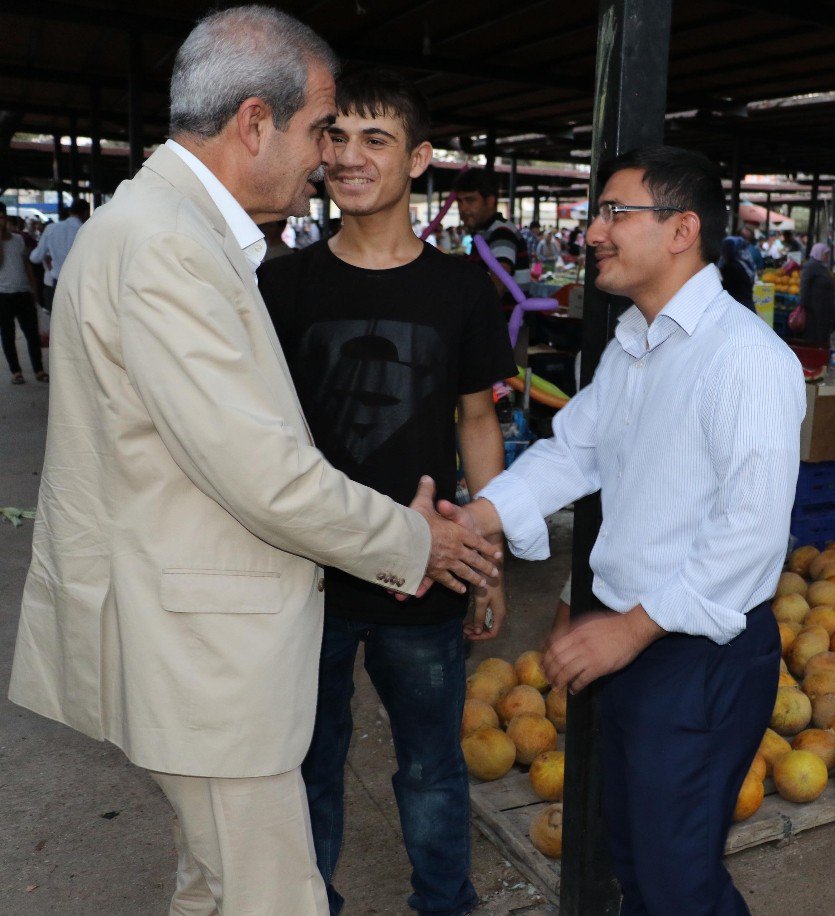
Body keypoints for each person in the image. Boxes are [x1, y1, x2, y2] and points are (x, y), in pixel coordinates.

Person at [7, 9, 501, 914]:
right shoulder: (167, 249)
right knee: (274, 896)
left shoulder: (172, 231)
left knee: (215, 885)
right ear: (252, 123)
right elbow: (264, 474)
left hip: (200, 635)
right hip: (204, 651)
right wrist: (418, 542)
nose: (327, 157)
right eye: (320, 129)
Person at [442, 145, 805, 914]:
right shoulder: (631, 346)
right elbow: (574, 454)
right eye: (597, 212)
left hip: (696, 655)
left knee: (677, 884)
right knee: (637, 860)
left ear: (681, 231)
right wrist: (478, 516)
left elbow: (751, 535)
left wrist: (632, 626)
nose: (594, 231)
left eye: (615, 212)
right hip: (633, 644)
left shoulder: (744, 359)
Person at [258, 67, 515, 916]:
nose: (349, 156)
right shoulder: (281, 284)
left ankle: (445, 902)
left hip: (429, 567)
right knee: (308, 766)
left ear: (420, 159)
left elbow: (478, 422)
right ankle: (309, 904)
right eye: (335, 137)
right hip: (309, 574)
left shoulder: (459, 287)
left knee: (434, 768)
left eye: (376, 139)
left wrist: (489, 557)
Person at [454, 168, 530, 299]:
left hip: (507, 320)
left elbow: (496, 287)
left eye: (470, 200)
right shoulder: (485, 233)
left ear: (489, 201)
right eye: (460, 201)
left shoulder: (501, 233)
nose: (463, 208)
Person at [0, 203, 47, 384]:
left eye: (2, 217)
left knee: (32, 334)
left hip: (23, 293)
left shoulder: (18, 240)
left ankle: (39, 370)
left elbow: (26, 266)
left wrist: (34, 289)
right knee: (8, 335)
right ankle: (16, 372)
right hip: (3, 295)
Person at [29, 197, 89, 295]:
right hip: (80, 284)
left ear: (70, 211)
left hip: (58, 283)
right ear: (86, 213)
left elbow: (35, 257)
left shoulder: (51, 229)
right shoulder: (86, 230)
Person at [799, 241, 835, 345]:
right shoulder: (810, 266)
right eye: (825, 254)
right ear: (818, 253)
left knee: (822, 332)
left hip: (823, 307)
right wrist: (803, 304)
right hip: (815, 308)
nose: (827, 257)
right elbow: (804, 286)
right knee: (815, 333)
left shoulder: (821, 266)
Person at [718, 234, 755, 311]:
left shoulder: (730, 267)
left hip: (739, 308)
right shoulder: (742, 263)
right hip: (746, 305)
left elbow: (727, 288)